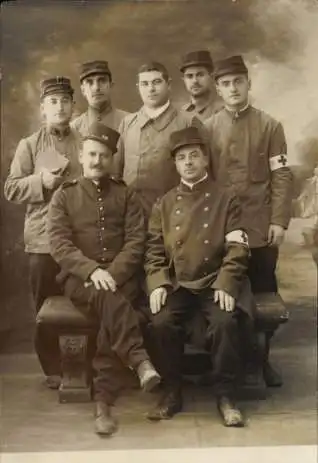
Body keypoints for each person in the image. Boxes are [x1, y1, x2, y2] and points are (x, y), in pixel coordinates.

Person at [47, 123, 160, 436]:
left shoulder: (127, 194)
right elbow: (59, 243)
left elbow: (137, 241)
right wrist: (93, 271)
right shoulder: (64, 196)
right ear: (81, 157)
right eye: (92, 154)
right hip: (80, 278)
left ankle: (103, 403)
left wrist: (112, 273)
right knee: (110, 298)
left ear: (112, 160)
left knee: (112, 302)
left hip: (121, 277)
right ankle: (139, 361)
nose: (97, 161)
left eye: (104, 155)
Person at [145, 126, 252, 427]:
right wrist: (158, 282)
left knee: (225, 322)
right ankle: (172, 390)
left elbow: (237, 247)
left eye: (194, 155)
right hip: (179, 281)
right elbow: (153, 250)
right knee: (160, 321)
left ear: (205, 160)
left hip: (214, 280)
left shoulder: (226, 199)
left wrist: (228, 282)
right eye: (182, 158)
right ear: (175, 164)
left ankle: (226, 395)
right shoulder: (163, 204)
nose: (188, 162)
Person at [204, 55, 293, 386]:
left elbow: (281, 176)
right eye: (225, 84)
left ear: (248, 83)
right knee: (227, 296)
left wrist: (280, 221)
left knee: (264, 294)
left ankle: (262, 360)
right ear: (218, 89)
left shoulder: (270, 126)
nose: (232, 89)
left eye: (237, 82)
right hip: (223, 229)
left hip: (260, 228)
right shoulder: (210, 128)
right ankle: (231, 363)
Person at [4, 76, 81, 388]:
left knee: (80, 302)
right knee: (45, 305)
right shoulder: (29, 145)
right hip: (42, 240)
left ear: (74, 106)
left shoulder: (85, 140)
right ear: (43, 109)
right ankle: (52, 368)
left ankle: (81, 363)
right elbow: (11, 188)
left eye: (65, 101)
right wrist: (40, 182)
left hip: (80, 239)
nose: (60, 107)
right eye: (53, 102)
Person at [115, 61, 202, 218]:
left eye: (156, 82)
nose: (151, 89)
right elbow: (116, 172)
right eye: (145, 84)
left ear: (168, 85)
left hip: (175, 214)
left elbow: (201, 173)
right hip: (131, 215)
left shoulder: (188, 122)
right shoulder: (127, 123)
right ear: (138, 88)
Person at [71, 60, 128, 136]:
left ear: (111, 85)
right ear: (83, 90)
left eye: (102, 81)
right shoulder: (74, 128)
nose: (96, 88)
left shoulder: (130, 122)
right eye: (89, 82)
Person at [180, 50, 221, 121]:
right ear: (184, 80)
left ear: (211, 77)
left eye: (200, 75)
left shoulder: (223, 111)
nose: (195, 81)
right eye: (189, 76)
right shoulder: (180, 113)